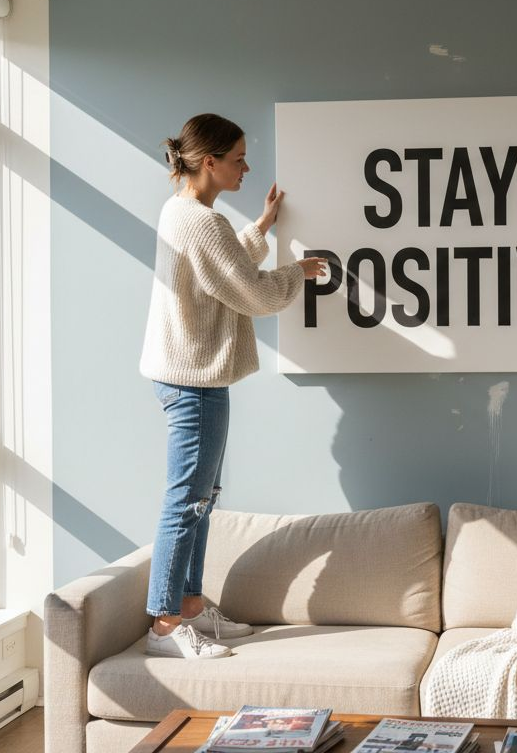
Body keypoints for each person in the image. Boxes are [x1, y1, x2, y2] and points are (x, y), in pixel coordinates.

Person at [138, 113, 326, 658]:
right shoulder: (201, 222)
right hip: (192, 382)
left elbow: (220, 268)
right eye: (239, 158)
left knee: (200, 499)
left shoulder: (185, 214)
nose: (247, 167)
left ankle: (190, 606)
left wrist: (262, 228)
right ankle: (165, 626)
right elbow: (254, 295)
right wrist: (301, 273)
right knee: (188, 501)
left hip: (187, 377)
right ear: (210, 161)